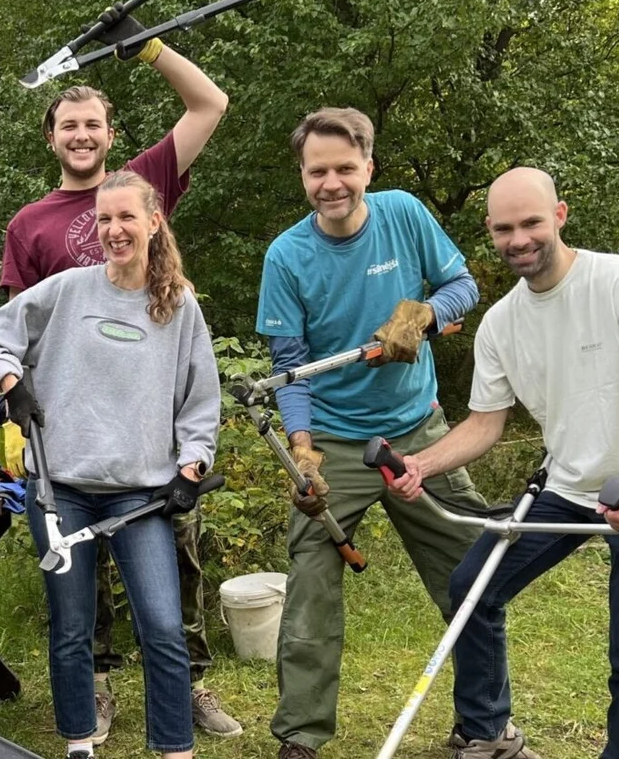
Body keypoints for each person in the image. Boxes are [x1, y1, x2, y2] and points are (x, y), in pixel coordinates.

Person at [386, 167, 619, 759]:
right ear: (490, 231)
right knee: (472, 588)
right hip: (569, 481)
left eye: (532, 222)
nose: (520, 239)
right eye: (505, 228)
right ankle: (487, 732)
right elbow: (486, 422)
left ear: (559, 216)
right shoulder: (503, 323)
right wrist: (421, 464)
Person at [1, 25, 240, 740]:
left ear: (111, 135)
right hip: (67, 435)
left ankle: (186, 690)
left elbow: (210, 105)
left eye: (92, 123)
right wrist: (18, 406)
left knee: (172, 581)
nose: (81, 134)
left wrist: (148, 48)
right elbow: (13, 326)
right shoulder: (30, 223)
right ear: (51, 136)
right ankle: (94, 697)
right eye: (67, 124)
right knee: (77, 606)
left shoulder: (141, 182)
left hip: (146, 436)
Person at [255, 107, 489, 759]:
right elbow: (289, 368)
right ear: (303, 176)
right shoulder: (287, 256)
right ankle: (301, 736)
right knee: (310, 586)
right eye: (317, 171)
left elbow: (462, 284)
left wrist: (423, 315)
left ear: (368, 168)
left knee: (472, 573)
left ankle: (483, 724)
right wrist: (302, 450)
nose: (332, 182)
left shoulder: (405, 214)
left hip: (420, 431)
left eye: (344, 168)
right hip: (333, 438)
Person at [0, 171, 220, 759]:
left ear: (153, 221)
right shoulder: (66, 290)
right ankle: (79, 743)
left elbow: (200, 402)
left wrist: (191, 467)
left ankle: (174, 748)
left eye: (126, 217)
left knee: (162, 626)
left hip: (141, 496)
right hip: (60, 489)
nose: (115, 230)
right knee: (72, 628)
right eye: (104, 219)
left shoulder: (178, 305)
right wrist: (12, 386)